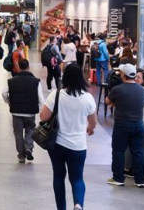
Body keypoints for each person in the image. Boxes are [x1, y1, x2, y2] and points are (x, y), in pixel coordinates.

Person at [39, 64, 97, 210]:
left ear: (65, 77)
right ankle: (78, 204)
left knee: (58, 176)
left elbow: (43, 116)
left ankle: (61, 208)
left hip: (57, 144)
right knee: (77, 177)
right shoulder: (88, 98)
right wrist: (90, 128)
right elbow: (93, 122)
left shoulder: (56, 95)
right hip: (78, 145)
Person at [105, 63, 144, 188]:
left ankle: (118, 177)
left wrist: (115, 101)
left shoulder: (117, 89)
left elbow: (107, 101)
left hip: (122, 125)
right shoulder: (142, 90)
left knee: (118, 151)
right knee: (138, 152)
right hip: (138, 124)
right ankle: (140, 180)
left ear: (123, 75)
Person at [2, 59, 44, 163]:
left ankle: (21, 155)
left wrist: (8, 102)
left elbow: (4, 93)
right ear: (28, 67)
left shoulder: (12, 81)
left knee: (18, 133)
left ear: (18, 67)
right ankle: (28, 148)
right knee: (30, 130)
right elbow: (41, 98)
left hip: (16, 112)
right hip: (30, 112)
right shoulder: (35, 81)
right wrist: (43, 111)